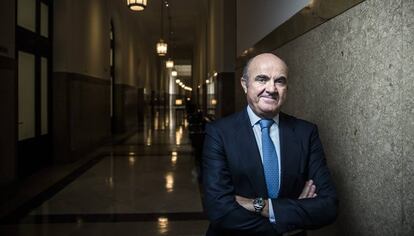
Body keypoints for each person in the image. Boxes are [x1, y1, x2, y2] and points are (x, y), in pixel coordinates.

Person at [202, 53, 338, 236]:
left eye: (280, 81)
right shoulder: (219, 133)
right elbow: (219, 210)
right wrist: (288, 222)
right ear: (244, 84)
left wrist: (259, 205)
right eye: (262, 79)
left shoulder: (306, 133)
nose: (271, 88)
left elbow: (328, 206)